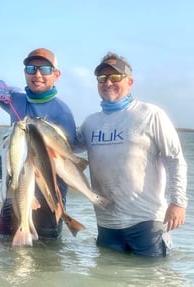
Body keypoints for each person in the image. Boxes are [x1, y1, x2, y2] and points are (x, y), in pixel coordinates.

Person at [75, 52, 187, 257]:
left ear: (130, 81)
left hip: (146, 223)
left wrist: (178, 202)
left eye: (115, 77)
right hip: (106, 225)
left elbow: (175, 160)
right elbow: (60, 150)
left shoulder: (151, 114)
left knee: (150, 282)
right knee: (105, 282)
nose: (108, 82)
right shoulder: (90, 123)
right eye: (102, 78)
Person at [0, 48, 76, 241]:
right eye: (31, 68)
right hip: (14, 194)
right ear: (25, 73)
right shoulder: (15, 98)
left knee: (45, 262)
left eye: (45, 69)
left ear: (56, 75)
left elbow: (62, 163)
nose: (37, 74)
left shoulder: (62, 113)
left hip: (47, 200)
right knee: (6, 254)